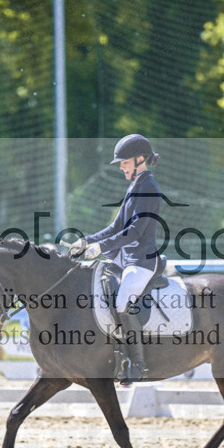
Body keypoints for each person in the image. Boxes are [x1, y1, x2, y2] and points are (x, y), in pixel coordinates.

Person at [69, 134, 162, 385]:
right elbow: (115, 227)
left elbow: (135, 231)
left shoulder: (149, 187)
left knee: (122, 303)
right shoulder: (135, 186)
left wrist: (102, 247)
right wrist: (86, 241)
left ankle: (137, 365)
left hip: (140, 261)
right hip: (124, 258)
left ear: (140, 159)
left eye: (124, 162)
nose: (121, 167)